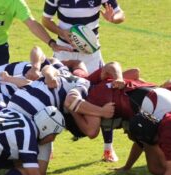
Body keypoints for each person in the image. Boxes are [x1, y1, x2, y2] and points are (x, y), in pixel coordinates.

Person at [42, 0, 125, 162]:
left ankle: (108, 148)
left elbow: (121, 14)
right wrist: (62, 32)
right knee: (54, 97)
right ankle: (48, 146)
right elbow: (46, 20)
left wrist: (113, 18)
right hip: (64, 52)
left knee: (102, 96)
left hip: (91, 54)